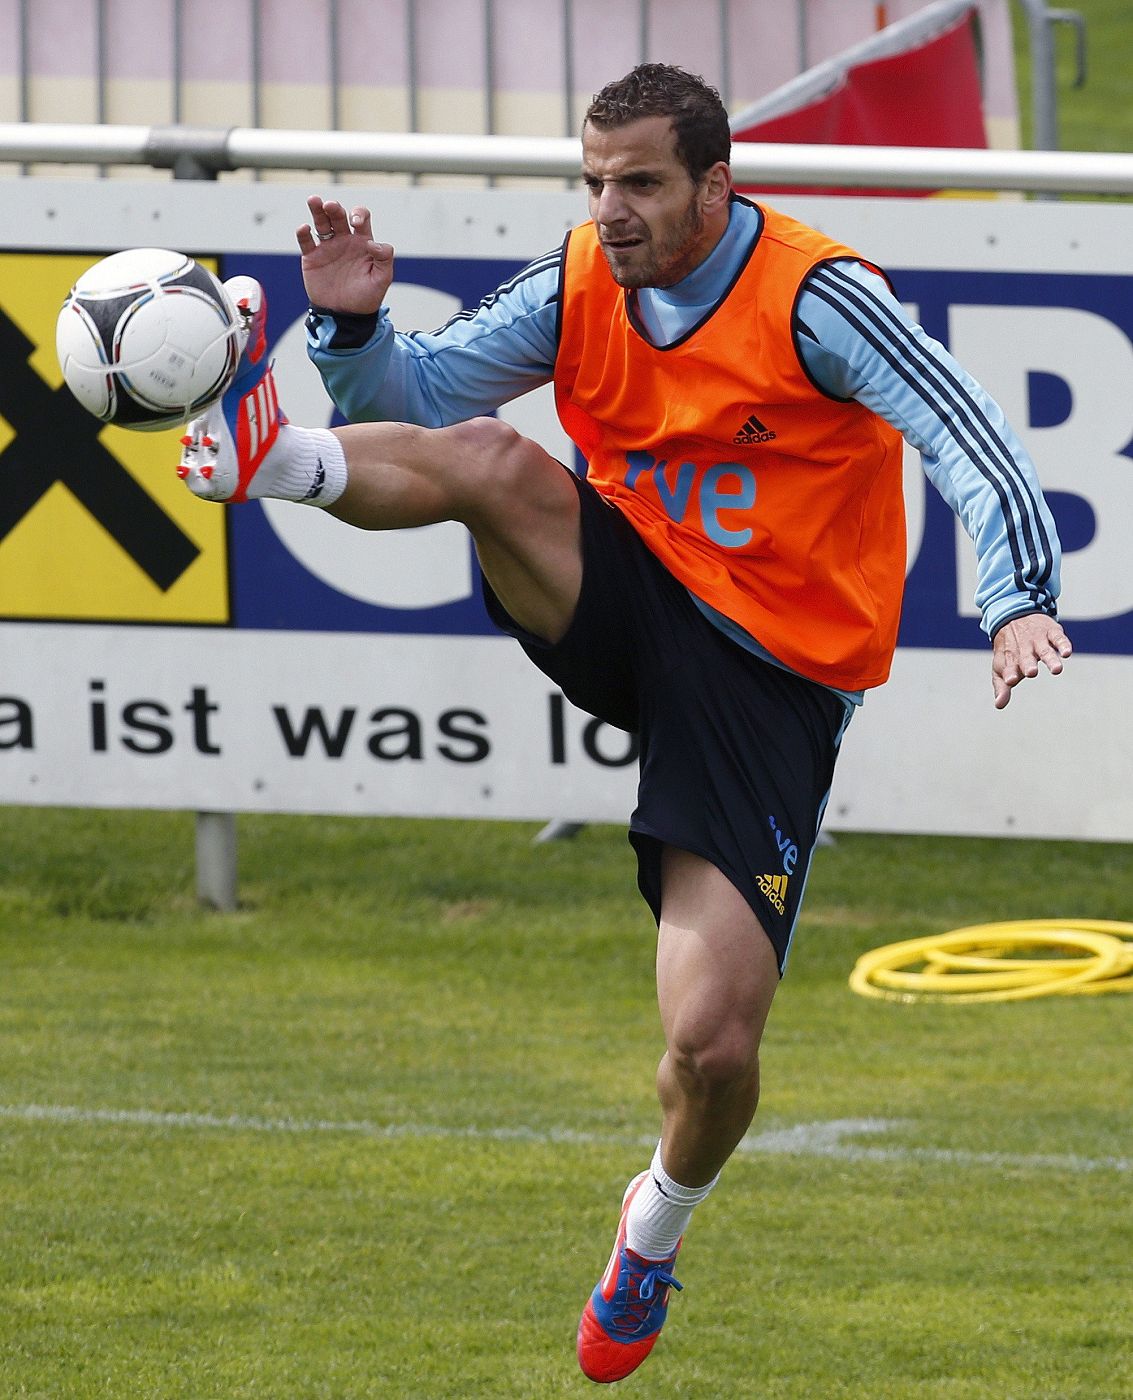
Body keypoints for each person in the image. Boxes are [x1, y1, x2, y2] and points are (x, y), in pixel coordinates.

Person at [178, 63, 1072, 1385]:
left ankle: (650, 1233)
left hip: (767, 678)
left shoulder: (817, 296)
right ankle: (275, 460)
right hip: (621, 597)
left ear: (717, 183)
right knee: (489, 460)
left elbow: (964, 431)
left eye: (641, 182)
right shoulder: (581, 276)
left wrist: (1013, 598)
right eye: (595, 182)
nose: (612, 209)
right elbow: (416, 403)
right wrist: (355, 336)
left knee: (710, 1047)